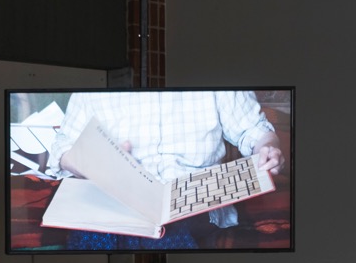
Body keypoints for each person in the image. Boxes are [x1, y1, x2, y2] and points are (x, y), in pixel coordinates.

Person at [47, 90, 285, 249]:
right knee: (95, 236)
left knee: (167, 233)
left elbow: (254, 131)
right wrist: (94, 161)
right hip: (117, 195)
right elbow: (64, 148)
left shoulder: (216, 72)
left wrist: (268, 149)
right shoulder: (100, 83)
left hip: (196, 198)